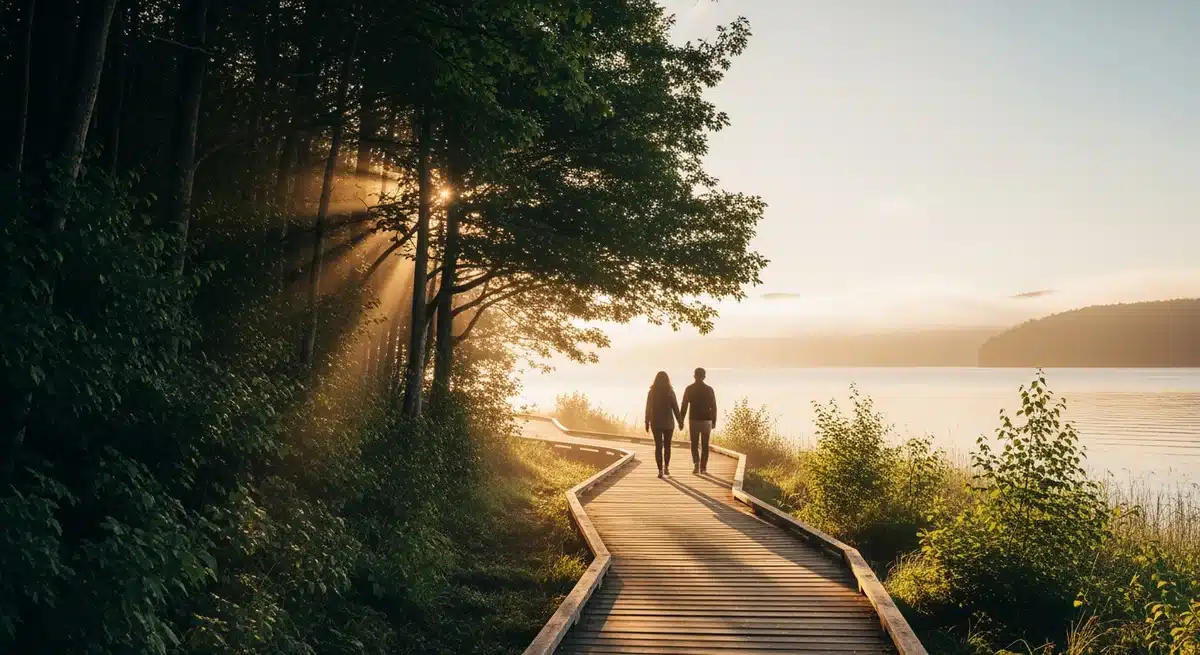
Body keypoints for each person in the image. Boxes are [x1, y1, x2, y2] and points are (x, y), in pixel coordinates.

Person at [644, 371, 682, 478]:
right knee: (667, 446)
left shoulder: (652, 392)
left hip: (656, 423)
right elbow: (675, 408)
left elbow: (648, 408)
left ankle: (660, 470)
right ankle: (666, 467)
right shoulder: (670, 392)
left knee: (658, 447)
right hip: (668, 423)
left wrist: (647, 422)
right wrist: (680, 421)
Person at [680, 367, 717, 474]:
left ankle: (696, 464)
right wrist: (714, 421)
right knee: (705, 445)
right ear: (704, 376)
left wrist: (681, 420)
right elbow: (714, 406)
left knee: (694, 443)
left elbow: (684, 406)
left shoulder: (689, 389)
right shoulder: (709, 389)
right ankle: (703, 467)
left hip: (694, 420)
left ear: (694, 376)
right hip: (707, 420)